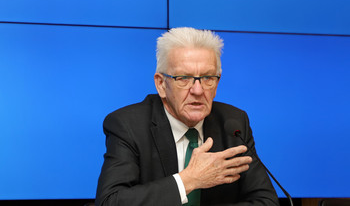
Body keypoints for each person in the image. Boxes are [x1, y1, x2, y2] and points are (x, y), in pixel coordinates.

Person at [95, 27, 279, 206]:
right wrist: (188, 180)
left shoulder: (233, 124)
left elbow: (266, 201)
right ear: (161, 84)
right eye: (183, 78)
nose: (198, 90)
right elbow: (110, 201)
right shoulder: (128, 125)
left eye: (207, 78)